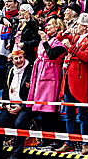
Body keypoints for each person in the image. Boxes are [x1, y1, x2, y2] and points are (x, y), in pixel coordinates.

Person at [0, 49, 36, 159]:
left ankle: (16, 157)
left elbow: (33, 91)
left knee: (19, 124)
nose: (19, 61)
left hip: (25, 106)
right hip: (10, 104)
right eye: (16, 59)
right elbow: (5, 89)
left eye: (21, 58)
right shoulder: (10, 70)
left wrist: (21, 106)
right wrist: (6, 104)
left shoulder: (31, 70)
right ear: (12, 60)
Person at [29, 16, 68, 148]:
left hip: (51, 75)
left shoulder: (60, 42)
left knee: (51, 109)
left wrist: (45, 42)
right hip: (40, 75)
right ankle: (45, 138)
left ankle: (57, 139)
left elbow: (51, 55)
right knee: (42, 108)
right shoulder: (45, 40)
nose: (47, 27)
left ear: (57, 27)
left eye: (50, 25)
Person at [60, 13, 88, 154]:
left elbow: (86, 57)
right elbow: (59, 37)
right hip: (68, 78)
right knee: (69, 113)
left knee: (82, 114)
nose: (76, 27)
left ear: (86, 27)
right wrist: (66, 32)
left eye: (79, 24)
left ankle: (85, 143)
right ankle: (69, 141)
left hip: (80, 80)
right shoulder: (75, 36)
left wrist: (71, 48)